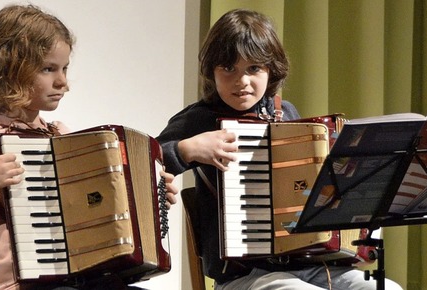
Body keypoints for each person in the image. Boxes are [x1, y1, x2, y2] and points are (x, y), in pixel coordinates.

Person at [0, 4, 178, 290]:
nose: (63, 82)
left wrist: (150, 196)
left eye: (64, 68)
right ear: (11, 70)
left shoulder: (60, 136)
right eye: (48, 69)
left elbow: (95, 214)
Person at [156, 8, 402, 290]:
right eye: (228, 68)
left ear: (271, 70)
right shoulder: (199, 119)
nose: (242, 81)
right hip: (243, 276)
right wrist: (187, 149)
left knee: (385, 288)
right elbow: (148, 161)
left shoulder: (284, 112)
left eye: (254, 68)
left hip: (309, 266)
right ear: (211, 71)